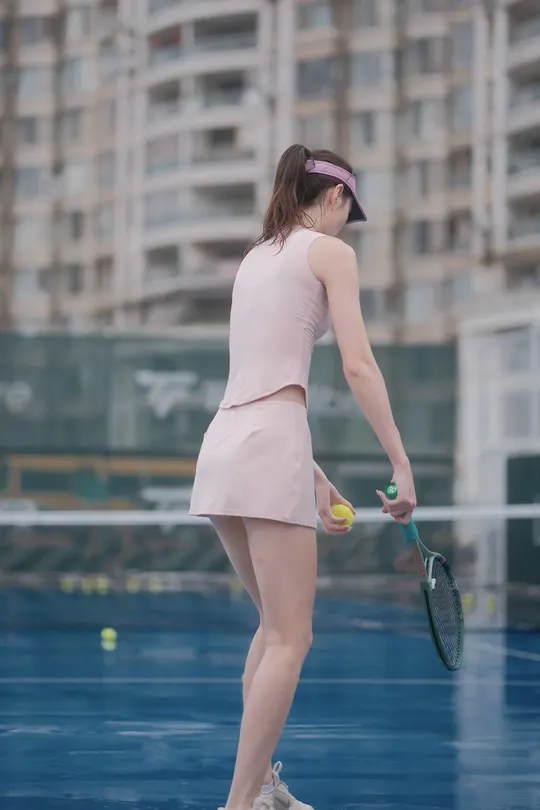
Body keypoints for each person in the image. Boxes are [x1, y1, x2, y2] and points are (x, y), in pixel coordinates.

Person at [189, 144, 416, 810]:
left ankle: (262, 790)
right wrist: (400, 464)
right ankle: (240, 804)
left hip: (224, 445)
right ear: (336, 197)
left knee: (272, 628)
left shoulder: (255, 259)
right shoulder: (330, 253)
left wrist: (314, 478)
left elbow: (253, 381)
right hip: (269, 443)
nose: (348, 225)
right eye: (349, 210)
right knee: (292, 636)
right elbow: (359, 365)